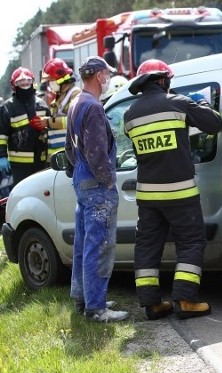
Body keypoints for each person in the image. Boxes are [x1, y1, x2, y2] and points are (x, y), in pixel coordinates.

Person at [123, 59, 222, 320]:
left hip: (147, 196)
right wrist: (198, 104)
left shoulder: (129, 115)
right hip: (180, 194)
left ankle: (151, 304)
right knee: (191, 242)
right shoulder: (179, 103)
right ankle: (186, 299)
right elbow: (215, 124)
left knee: (147, 247)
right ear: (163, 80)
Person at [65, 56, 129, 322]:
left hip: (82, 179)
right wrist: (108, 180)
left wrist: (83, 173)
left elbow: (70, 150)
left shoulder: (76, 103)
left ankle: (84, 297)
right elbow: (96, 152)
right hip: (96, 183)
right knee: (99, 245)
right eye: (107, 74)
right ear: (99, 75)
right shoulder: (93, 107)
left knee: (84, 244)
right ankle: (97, 308)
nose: (109, 79)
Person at [0, 67, 50, 186]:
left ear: (32, 82)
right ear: (14, 85)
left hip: (41, 161)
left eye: (27, 81)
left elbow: (51, 130)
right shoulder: (7, 107)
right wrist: (1, 156)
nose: (25, 84)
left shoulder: (42, 104)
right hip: (19, 165)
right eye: (20, 82)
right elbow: (1, 134)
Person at [41, 58, 83, 163]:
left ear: (60, 79)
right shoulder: (60, 97)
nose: (49, 84)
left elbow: (74, 120)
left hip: (69, 156)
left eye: (51, 80)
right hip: (59, 157)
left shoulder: (75, 94)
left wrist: (47, 122)